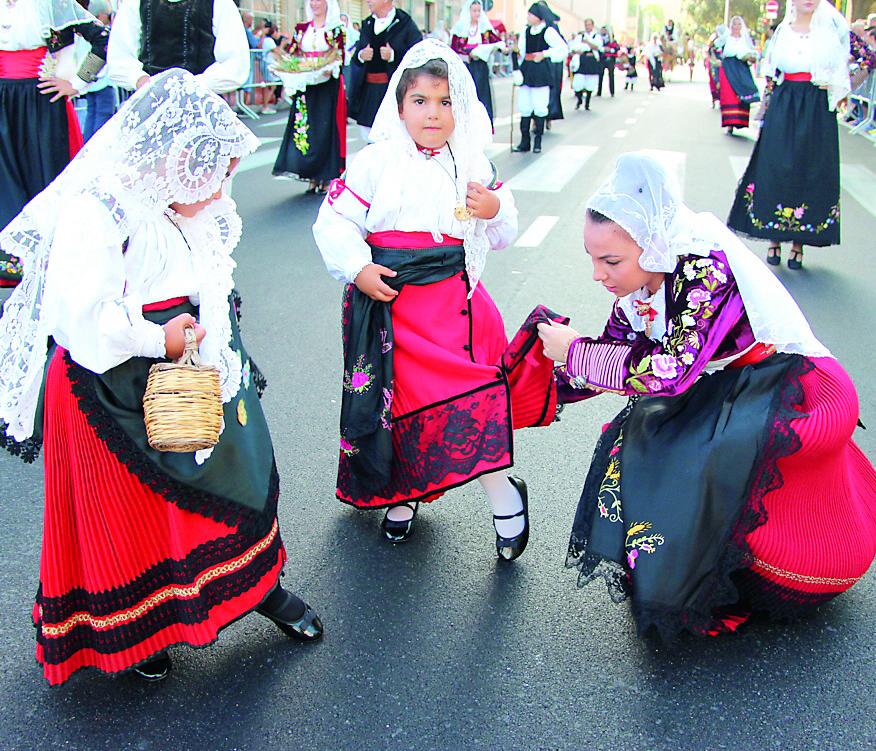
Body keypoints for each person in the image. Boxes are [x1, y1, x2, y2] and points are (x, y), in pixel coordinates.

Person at [0, 69, 324, 686]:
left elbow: (206, 276)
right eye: (216, 172)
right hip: (112, 385)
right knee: (135, 519)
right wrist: (160, 338)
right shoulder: (97, 212)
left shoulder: (182, 205)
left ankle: (258, 588)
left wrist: (213, 340)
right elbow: (83, 319)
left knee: (238, 480)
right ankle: (141, 628)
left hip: (195, 373)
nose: (225, 187)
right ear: (177, 159)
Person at [536, 153, 876, 642]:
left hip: (786, 381)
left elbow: (671, 371)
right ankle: (696, 573)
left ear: (650, 246)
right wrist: (533, 392)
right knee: (642, 434)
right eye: (592, 259)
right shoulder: (640, 282)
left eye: (610, 261)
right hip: (728, 385)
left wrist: (574, 352)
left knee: (701, 450)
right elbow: (611, 359)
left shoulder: (702, 267)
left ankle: (732, 579)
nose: (598, 274)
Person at [312, 40, 564, 556]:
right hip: (391, 306)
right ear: (400, 106)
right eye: (420, 101)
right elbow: (333, 222)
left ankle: (502, 496)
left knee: (469, 401)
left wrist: (493, 206)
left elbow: (502, 229)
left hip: (457, 307)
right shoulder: (375, 161)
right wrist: (358, 269)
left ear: (461, 107)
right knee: (404, 405)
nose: (433, 113)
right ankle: (406, 494)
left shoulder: (471, 160)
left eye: (445, 102)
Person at [727, 0, 849, 270]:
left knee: (809, 168)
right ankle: (774, 236)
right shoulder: (783, 31)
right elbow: (772, 72)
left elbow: (840, 69)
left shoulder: (829, 32)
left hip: (816, 106)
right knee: (776, 166)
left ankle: (798, 244)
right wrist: (766, 107)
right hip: (785, 103)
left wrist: (835, 97)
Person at [0, 0, 108, 289]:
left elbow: (103, 41)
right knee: (4, 184)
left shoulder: (54, 3)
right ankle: (10, 260)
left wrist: (77, 81)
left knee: (45, 182)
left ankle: (50, 259)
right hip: (3, 104)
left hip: (42, 104)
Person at [272, 0, 346, 194]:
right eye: (312, 0)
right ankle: (311, 174)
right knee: (304, 129)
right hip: (305, 86)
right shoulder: (302, 29)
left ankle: (326, 175)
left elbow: (340, 57)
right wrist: (290, 65)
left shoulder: (335, 30)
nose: (315, 3)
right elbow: (294, 53)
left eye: (319, 0)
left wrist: (326, 67)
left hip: (326, 86)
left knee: (324, 129)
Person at [107, 0, 250, 93]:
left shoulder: (219, 3)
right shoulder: (135, 3)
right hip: (151, 105)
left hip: (202, 106)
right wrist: (140, 80)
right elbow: (119, 56)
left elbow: (235, 62)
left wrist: (194, 85)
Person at [346, 0, 421, 139]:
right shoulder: (367, 24)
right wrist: (361, 55)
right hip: (369, 93)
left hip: (394, 92)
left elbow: (418, 54)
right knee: (370, 138)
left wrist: (394, 55)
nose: (368, 1)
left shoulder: (404, 23)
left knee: (392, 137)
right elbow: (356, 57)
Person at [512, 3, 567, 151]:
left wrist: (545, 54)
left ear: (538, 17)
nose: (528, 17)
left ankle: (537, 141)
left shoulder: (548, 31)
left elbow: (562, 48)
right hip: (527, 70)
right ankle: (524, 141)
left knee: (540, 106)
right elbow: (522, 52)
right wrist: (517, 68)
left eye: (531, 14)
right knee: (524, 106)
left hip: (541, 71)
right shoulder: (526, 31)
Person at [449, 0, 503, 126]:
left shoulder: (484, 28)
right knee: (465, 95)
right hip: (465, 66)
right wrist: (468, 53)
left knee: (481, 95)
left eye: (479, 10)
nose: (477, 13)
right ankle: (464, 124)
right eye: (474, 10)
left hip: (480, 67)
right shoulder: (461, 28)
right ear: (469, 11)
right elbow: (454, 48)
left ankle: (482, 125)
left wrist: (502, 47)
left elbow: (496, 41)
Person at [718, 16, 759, 134]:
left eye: (738, 24)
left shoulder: (745, 40)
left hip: (741, 69)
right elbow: (715, 46)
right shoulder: (726, 38)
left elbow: (752, 55)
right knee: (729, 94)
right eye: (734, 24)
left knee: (740, 95)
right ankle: (729, 124)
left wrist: (750, 58)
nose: (736, 27)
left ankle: (739, 121)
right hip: (728, 68)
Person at [569, 21, 601, 110]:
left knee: (590, 83)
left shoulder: (596, 36)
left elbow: (597, 47)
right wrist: (576, 52)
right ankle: (579, 99)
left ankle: (587, 103)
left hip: (592, 60)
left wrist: (587, 42)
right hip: (581, 60)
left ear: (593, 26)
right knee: (577, 83)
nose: (587, 27)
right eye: (586, 25)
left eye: (589, 25)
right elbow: (573, 48)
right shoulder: (579, 37)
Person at [707, 24, 727, 108]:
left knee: (724, 83)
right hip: (714, 64)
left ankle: (723, 101)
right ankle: (714, 101)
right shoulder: (713, 41)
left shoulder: (727, 41)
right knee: (715, 82)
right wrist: (715, 61)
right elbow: (710, 53)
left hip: (724, 65)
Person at [597, 25, 619, 97]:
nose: (603, 31)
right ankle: (599, 91)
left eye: (605, 30)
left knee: (611, 76)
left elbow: (616, 48)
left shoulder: (612, 40)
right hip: (602, 59)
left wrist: (610, 50)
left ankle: (612, 92)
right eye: (602, 30)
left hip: (610, 60)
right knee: (600, 75)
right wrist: (603, 49)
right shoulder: (599, 39)